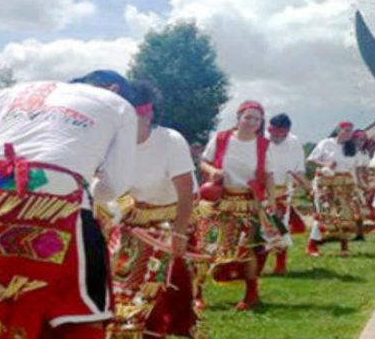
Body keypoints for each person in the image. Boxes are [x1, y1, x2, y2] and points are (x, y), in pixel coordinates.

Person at [0, 70, 137, 337]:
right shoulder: (118, 105)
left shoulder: (22, 90)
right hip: (57, 204)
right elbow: (117, 185)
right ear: (114, 89)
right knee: (80, 299)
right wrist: (94, 192)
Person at [102, 80, 198, 337]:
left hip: (167, 223)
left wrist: (179, 233)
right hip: (128, 225)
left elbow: (187, 191)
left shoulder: (170, 140)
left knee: (154, 291)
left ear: (148, 112)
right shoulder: (112, 144)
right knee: (122, 291)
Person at [195, 100, 277, 311]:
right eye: (247, 117)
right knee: (208, 245)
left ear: (261, 122)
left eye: (256, 119)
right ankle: (197, 293)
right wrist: (213, 172)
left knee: (246, 249)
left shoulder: (263, 145)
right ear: (239, 118)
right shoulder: (222, 138)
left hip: (247, 203)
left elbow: (268, 175)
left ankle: (251, 294)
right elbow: (204, 161)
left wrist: (272, 200)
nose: (251, 122)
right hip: (219, 201)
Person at [306, 122, 366, 256]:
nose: (348, 134)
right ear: (338, 130)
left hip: (344, 184)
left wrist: (358, 184)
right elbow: (311, 160)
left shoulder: (352, 149)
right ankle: (312, 245)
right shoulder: (326, 143)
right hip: (325, 183)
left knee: (344, 214)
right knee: (324, 213)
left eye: (350, 131)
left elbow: (355, 169)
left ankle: (344, 247)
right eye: (346, 130)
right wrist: (325, 164)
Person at [264, 113, 308, 275]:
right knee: (257, 228)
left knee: (280, 227)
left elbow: (298, 170)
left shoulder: (294, 141)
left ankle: (280, 265)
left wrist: (307, 187)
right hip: (259, 191)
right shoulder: (260, 139)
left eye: (282, 134)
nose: (277, 137)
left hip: (282, 191)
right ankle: (254, 265)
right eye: (275, 133)